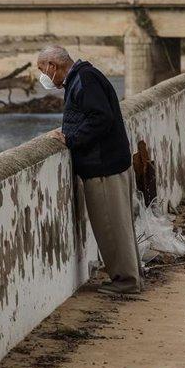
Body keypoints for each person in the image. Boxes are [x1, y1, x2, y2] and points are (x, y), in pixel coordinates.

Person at [37, 45, 143, 295]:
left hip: (103, 166)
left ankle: (126, 281)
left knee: (111, 227)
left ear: (53, 66)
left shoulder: (84, 79)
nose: (42, 76)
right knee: (118, 226)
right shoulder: (83, 78)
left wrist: (71, 139)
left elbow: (100, 118)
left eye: (42, 69)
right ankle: (130, 277)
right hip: (108, 163)